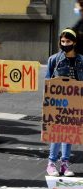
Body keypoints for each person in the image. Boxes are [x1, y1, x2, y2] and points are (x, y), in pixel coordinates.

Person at [45, 28, 83, 177]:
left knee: (69, 132)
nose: (65, 44)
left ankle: (65, 164)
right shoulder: (54, 59)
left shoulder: (81, 60)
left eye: (68, 41)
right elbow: (48, 81)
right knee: (57, 132)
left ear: (74, 42)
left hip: (75, 102)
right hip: (58, 102)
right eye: (62, 41)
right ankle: (51, 163)